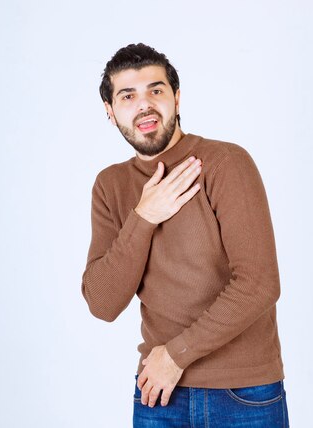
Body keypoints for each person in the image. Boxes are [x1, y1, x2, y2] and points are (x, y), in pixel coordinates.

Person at [81, 43, 289, 427]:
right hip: (158, 396)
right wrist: (144, 216)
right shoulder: (110, 186)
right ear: (110, 112)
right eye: (127, 96)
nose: (144, 105)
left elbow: (260, 284)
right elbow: (102, 303)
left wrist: (175, 356)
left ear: (176, 98)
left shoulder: (225, 162)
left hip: (241, 393)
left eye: (156, 90)